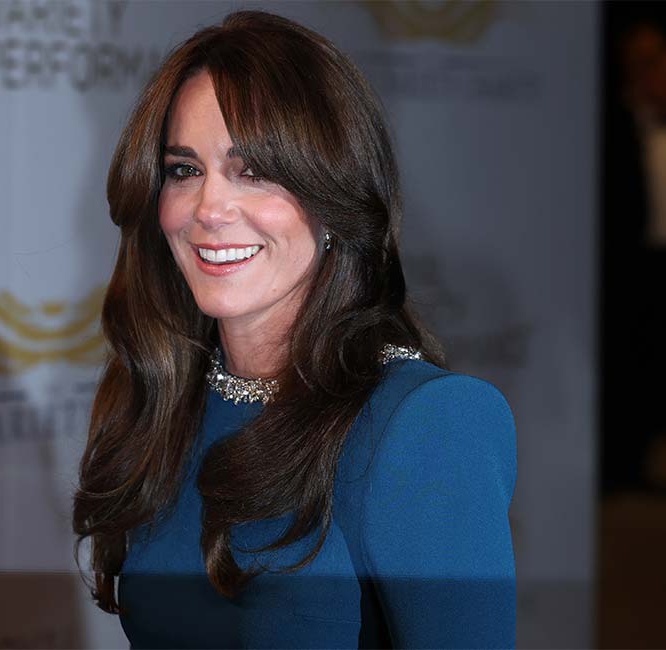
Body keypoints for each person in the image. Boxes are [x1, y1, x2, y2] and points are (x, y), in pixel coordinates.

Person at [73, 10, 516, 649]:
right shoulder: (164, 403)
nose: (208, 209)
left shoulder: (424, 426)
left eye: (254, 171)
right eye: (184, 169)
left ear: (334, 196)